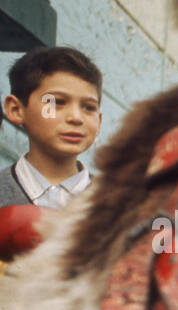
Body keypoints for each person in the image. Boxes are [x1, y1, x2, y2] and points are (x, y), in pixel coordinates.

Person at [1, 47, 102, 209]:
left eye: (89, 108)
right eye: (57, 103)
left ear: (100, 121)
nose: (76, 118)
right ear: (16, 110)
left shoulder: (128, 210)